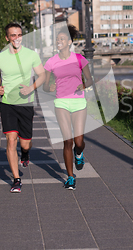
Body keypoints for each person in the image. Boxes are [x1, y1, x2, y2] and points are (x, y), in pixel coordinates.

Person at [0, 23, 45, 193]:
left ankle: (25, 153)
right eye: (13, 35)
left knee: (26, 143)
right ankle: (16, 179)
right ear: (7, 38)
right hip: (7, 103)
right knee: (11, 140)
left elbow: (42, 75)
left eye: (19, 35)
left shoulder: (31, 55)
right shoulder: (0, 57)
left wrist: (31, 88)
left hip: (25, 103)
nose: (17, 38)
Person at [43, 25, 93, 190]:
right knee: (67, 141)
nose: (59, 42)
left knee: (79, 141)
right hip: (61, 103)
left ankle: (79, 153)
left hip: (79, 102)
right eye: (57, 39)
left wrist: (83, 85)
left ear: (69, 42)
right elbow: (45, 85)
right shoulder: (51, 62)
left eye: (62, 39)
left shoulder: (79, 59)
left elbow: (90, 80)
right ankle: (70, 177)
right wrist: (49, 88)